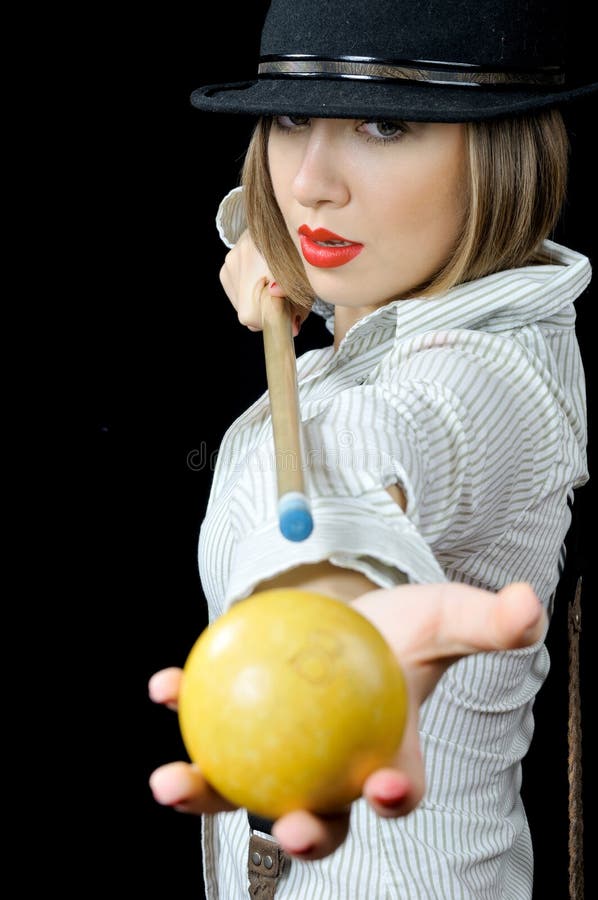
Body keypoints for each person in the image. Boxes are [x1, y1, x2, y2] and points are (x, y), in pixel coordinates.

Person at [149, 1, 597, 896]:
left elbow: (368, 467)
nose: (311, 182)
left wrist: (324, 598)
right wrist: (260, 248)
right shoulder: (418, 301)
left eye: (384, 126)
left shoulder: (481, 378)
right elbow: (279, 219)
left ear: (501, 152)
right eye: (289, 120)